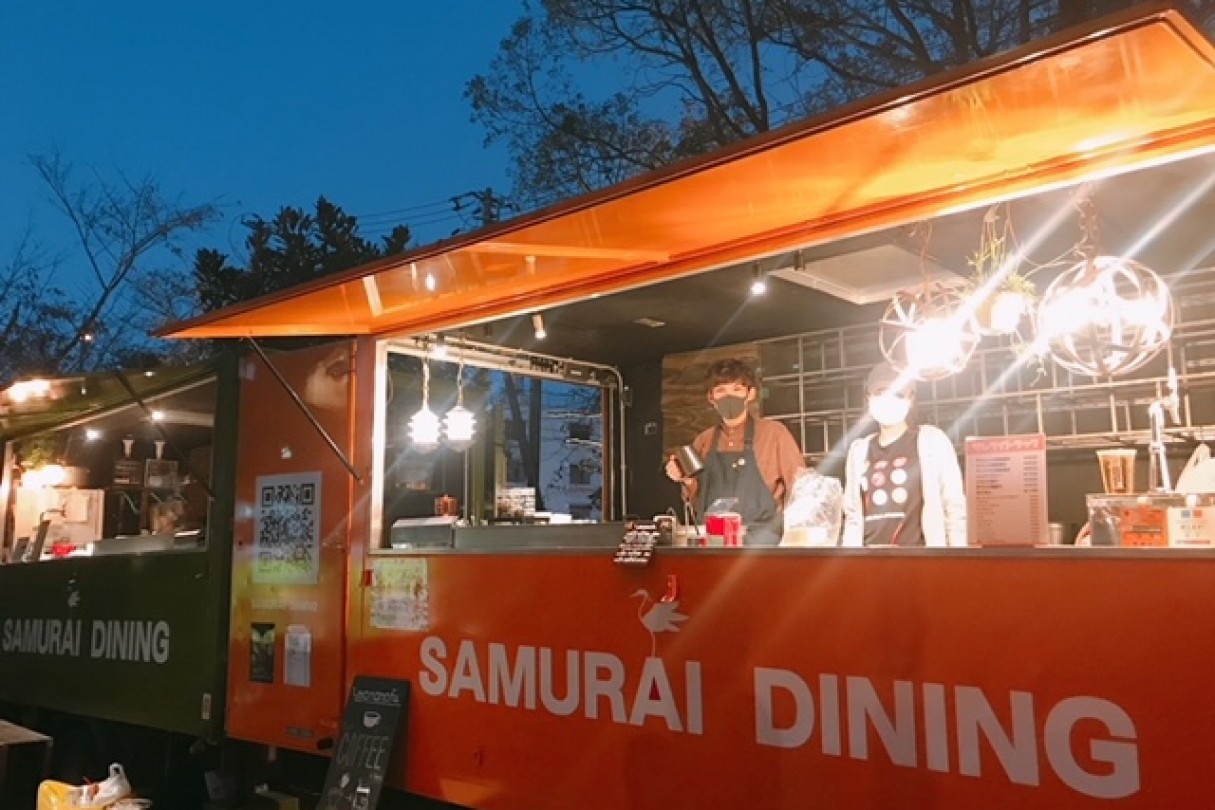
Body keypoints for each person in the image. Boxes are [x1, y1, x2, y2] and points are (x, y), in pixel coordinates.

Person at [665, 358, 805, 546]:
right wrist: (684, 479)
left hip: (761, 543)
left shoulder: (774, 434)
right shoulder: (704, 440)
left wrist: (797, 539)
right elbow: (696, 501)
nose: (728, 397)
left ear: (750, 394)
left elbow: (801, 489)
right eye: (721, 390)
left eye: (737, 389)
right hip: (713, 540)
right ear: (711, 398)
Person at [842, 362, 966, 546]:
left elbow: (954, 507)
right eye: (880, 393)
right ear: (868, 398)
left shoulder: (932, 441)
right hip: (869, 557)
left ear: (911, 398)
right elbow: (852, 515)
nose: (888, 400)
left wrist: (957, 556)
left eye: (898, 394)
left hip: (919, 557)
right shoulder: (859, 450)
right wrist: (850, 558)